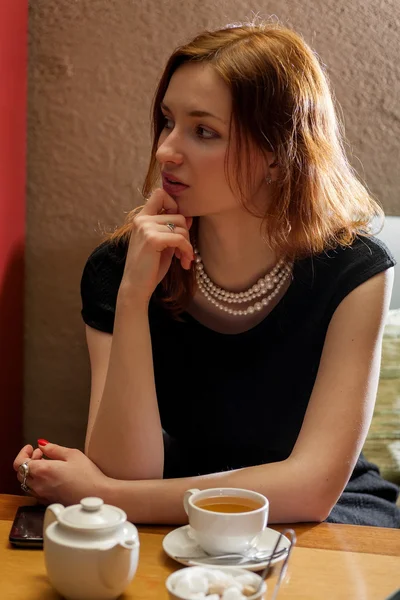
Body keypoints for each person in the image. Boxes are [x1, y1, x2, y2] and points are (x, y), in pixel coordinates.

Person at [14, 20, 400, 527]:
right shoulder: (119, 269)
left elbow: (311, 491)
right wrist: (133, 298)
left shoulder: (353, 270)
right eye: (167, 121)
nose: (166, 150)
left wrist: (105, 496)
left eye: (204, 131)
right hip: (170, 514)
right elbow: (127, 471)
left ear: (279, 155)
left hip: (323, 520)